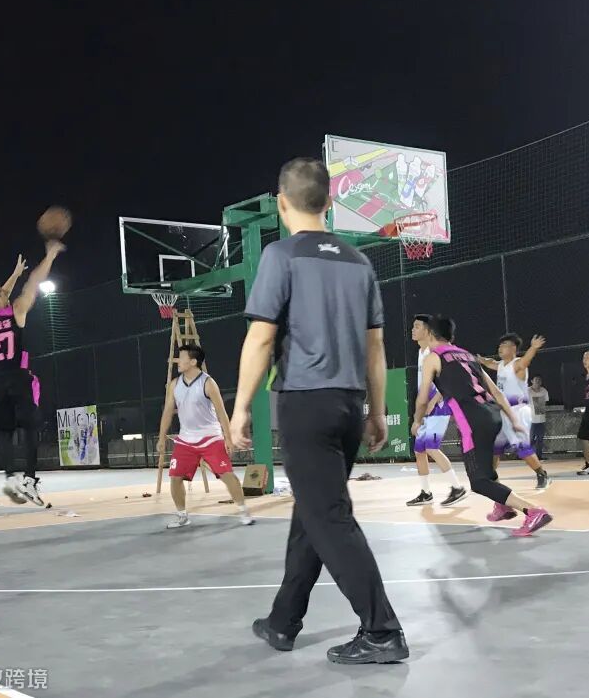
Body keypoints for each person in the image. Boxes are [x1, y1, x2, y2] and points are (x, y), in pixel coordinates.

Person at [231, 157, 407, 665]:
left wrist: (241, 408)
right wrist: (377, 411)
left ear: (280, 203)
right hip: (349, 404)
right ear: (329, 201)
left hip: (306, 404)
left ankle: (382, 631)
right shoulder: (359, 262)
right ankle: (283, 620)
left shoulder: (280, 256)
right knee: (312, 512)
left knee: (328, 516)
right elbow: (376, 347)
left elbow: (261, 338)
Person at [413, 316, 553, 537]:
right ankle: (502, 506)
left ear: (430, 333)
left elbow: (422, 399)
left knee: (479, 481)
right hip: (493, 415)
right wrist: (513, 420)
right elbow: (495, 392)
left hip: (473, 421)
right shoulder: (467, 355)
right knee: (486, 468)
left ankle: (533, 511)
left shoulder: (433, 357)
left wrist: (417, 421)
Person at [0, 243, 64, 506]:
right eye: (2, 292)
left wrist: (15, 273)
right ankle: (29, 478)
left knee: (5, 431)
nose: (6, 292)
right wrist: (50, 256)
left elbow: (0, 295)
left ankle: (9, 476)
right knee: (31, 428)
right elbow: (34, 282)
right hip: (18, 378)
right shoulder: (16, 310)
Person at [156, 344, 254, 529]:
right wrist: (162, 437)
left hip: (211, 437)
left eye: (182, 358)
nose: (178, 361)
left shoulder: (208, 383)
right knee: (175, 477)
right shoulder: (174, 385)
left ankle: (243, 511)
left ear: (193, 362)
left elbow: (221, 412)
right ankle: (182, 516)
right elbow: (168, 411)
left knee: (227, 475)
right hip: (186, 439)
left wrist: (228, 438)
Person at [406, 314, 467, 507]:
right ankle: (426, 492)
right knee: (419, 450)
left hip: (438, 407)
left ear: (428, 331)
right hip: (426, 408)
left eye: (417, 326)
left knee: (431, 447)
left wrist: (433, 401)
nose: (413, 330)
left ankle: (457, 487)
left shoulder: (435, 352)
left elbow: (448, 381)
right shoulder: (421, 352)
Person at [477, 334, 552, 489]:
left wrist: (533, 348)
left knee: (521, 446)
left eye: (504, 344)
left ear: (513, 348)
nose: (500, 347)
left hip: (518, 411)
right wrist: (478, 360)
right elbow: (489, 362)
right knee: (495, 446)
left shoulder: (517, 364)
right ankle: (490, 477)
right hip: (503, 411)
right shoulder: (500, 365)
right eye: (499, 345)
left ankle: (542, 474)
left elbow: (526, 360)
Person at [529, 376, 550, 460]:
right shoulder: (527, 391)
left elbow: (545, 403)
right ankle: (528, 456)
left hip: (541, 419)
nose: (538, 381)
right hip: (530, 419)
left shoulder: (544, 391)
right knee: (530, 439)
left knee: (540, 439)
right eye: (536, 380)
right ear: (532, 381)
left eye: (539, 380)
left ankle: (538, 456)